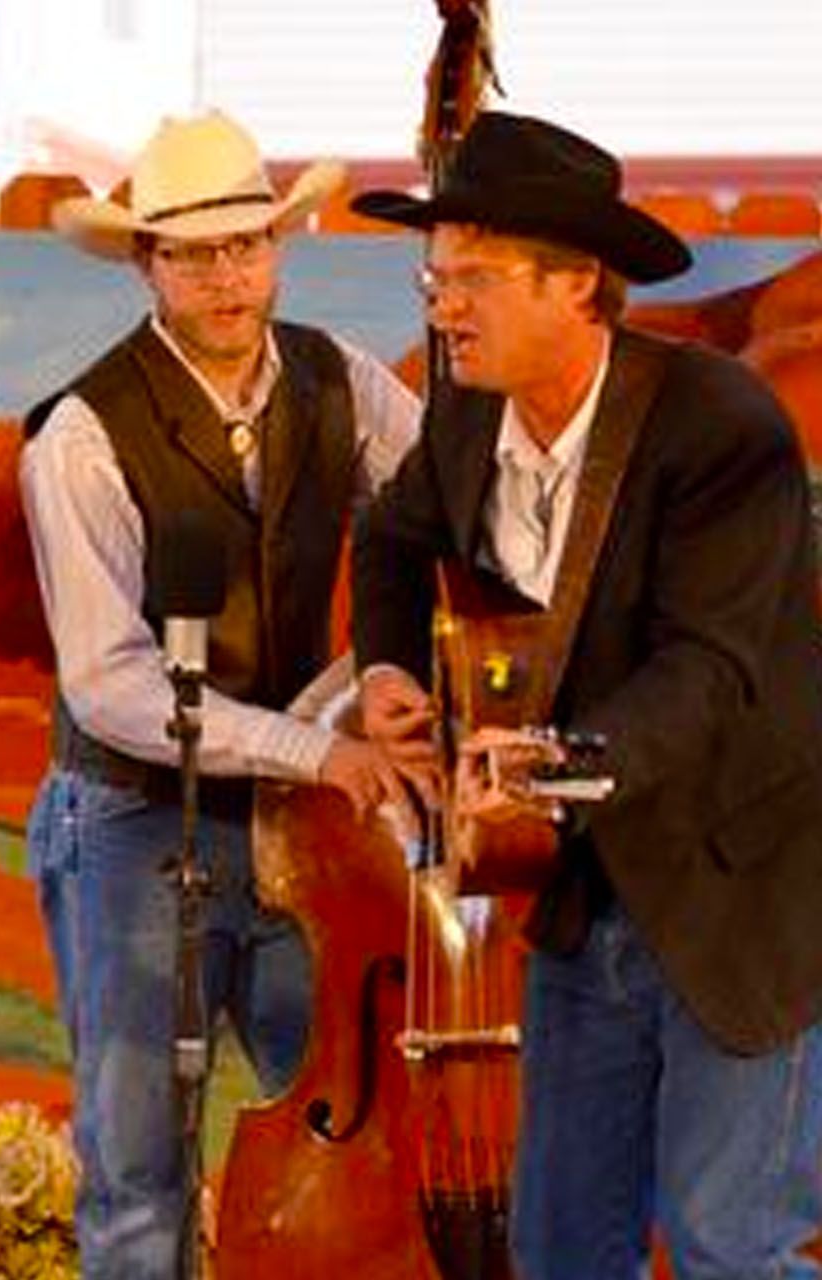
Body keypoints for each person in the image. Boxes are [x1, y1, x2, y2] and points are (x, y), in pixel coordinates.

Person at [349, 110, 822, 1279]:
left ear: (576, 286)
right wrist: (388, 667)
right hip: (579, 889)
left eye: (473, 279)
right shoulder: (462, 415)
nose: (443, 306)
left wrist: (555, 755)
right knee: (562, 1244)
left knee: (729, 1244)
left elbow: (714, 665)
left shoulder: (718, 421)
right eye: (435, 276)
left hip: (741, 893)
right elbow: (393, 537)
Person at [21, 109, 421, 1277]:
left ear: (282, 247)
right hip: (137, 817)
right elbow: (109, 685)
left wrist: (365, 684)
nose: (228, 274)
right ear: (146, 262)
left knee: (353, 1124)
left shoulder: (339, 378)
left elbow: (435, 527)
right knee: (138, 1168)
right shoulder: (85, 431)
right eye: (194, 252)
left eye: (249, 244)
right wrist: (316, 746)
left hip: (303, 817)